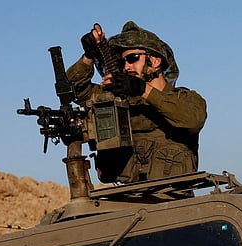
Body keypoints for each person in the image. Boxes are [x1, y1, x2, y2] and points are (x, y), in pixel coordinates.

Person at [67, 21, 207, 183]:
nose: (126, 67)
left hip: (173, 201)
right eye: (122, 62)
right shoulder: (117, 100)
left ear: (155, 62)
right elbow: (73, 90)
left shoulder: (185, 99)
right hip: (124, 199)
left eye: (132, 58)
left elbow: (192, 120)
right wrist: (88, 57)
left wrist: (143, 89)